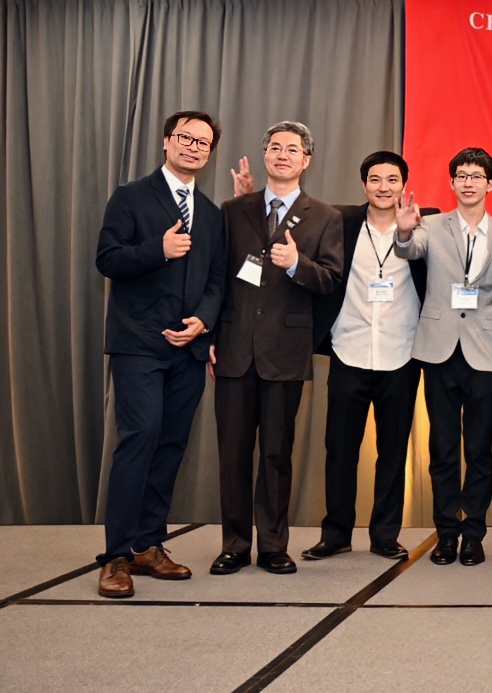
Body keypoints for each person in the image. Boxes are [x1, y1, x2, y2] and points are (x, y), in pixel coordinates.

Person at [94, 111, 227, 597]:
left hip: (188, 350)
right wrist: (158, 249)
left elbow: (217, 279)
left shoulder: (211, 212)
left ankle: (149, 545)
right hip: (139, 345)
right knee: (140, 437)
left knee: (171, 444)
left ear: (209, 153)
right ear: (167, 141)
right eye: (186, 138)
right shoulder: (130, 196)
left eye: (203, 142)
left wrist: (203, 322)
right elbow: (107, 259)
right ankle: (116, 555)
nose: (194, 147)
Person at [211, 121, 344, 575]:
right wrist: (211, 337)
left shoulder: (325, 216)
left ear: (306, 160)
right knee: (232, 454)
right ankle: (233, 544)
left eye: (292, 149)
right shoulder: (234, 209)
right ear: (265, 154)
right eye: (275, 147)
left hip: (285, 352)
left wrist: (296, 265)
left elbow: (331, 280)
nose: (282, 154)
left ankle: (272, 545)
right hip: (233, 348)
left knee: (275, 454)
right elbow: (216, 277)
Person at [298, 152, 432, 563]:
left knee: (393, 451)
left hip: (402, 353)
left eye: (392, 180)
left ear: (404, 185)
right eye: (375, 179)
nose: (383, 187)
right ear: (364, 185)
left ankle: (385, 535)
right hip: (349, 349)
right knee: (339, 449)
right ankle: (336, 533)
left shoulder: (422, 226)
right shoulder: (340, 222)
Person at [394, 148, 492, 567]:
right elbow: (409, 251)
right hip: (439, 349)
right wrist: (403, 232)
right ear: (452, 182)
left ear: (490, 183)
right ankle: (446, 533)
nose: (468, 182)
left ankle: (473, 533)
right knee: (442, 447)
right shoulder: (430, 225)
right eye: (461, 175)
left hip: (485, 352)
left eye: (476, 175)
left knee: (479, 450)